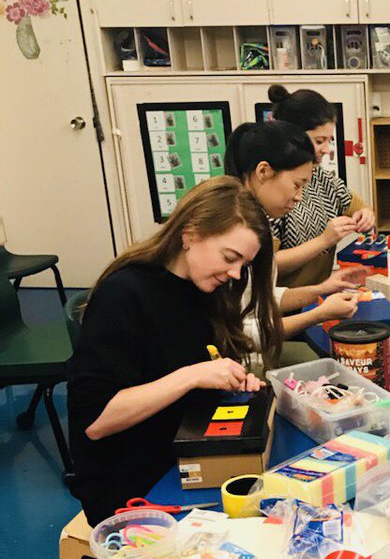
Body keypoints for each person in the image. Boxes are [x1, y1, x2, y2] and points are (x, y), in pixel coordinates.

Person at [67, 177, 278, 525]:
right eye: (230, 257)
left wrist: (231, 386)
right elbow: (95, 422)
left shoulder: (202, 289)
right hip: (134, 485)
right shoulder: (125, 294)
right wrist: (192, 376)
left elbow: (192, 372)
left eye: (244, 264)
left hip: (182, 457)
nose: (236, 273)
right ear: (190, 233)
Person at [223, 121, 359, 363]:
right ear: (263, 171)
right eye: (297, 185)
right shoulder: (232, 232)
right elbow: (239, 332)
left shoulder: (257, 223)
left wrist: (321, 289)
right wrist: (318, 314)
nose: (299, 197)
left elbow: (260, 296)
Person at [267, 84, 376, 288]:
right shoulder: (270, 190)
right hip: (283, 303)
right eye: (319, 141)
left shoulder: (321, 178)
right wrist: (324, 240)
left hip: (316, 295)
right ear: (292, 136)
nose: (326, 150)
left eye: (329, 141)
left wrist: (366, 215)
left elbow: (360, 206)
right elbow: (267, 265)